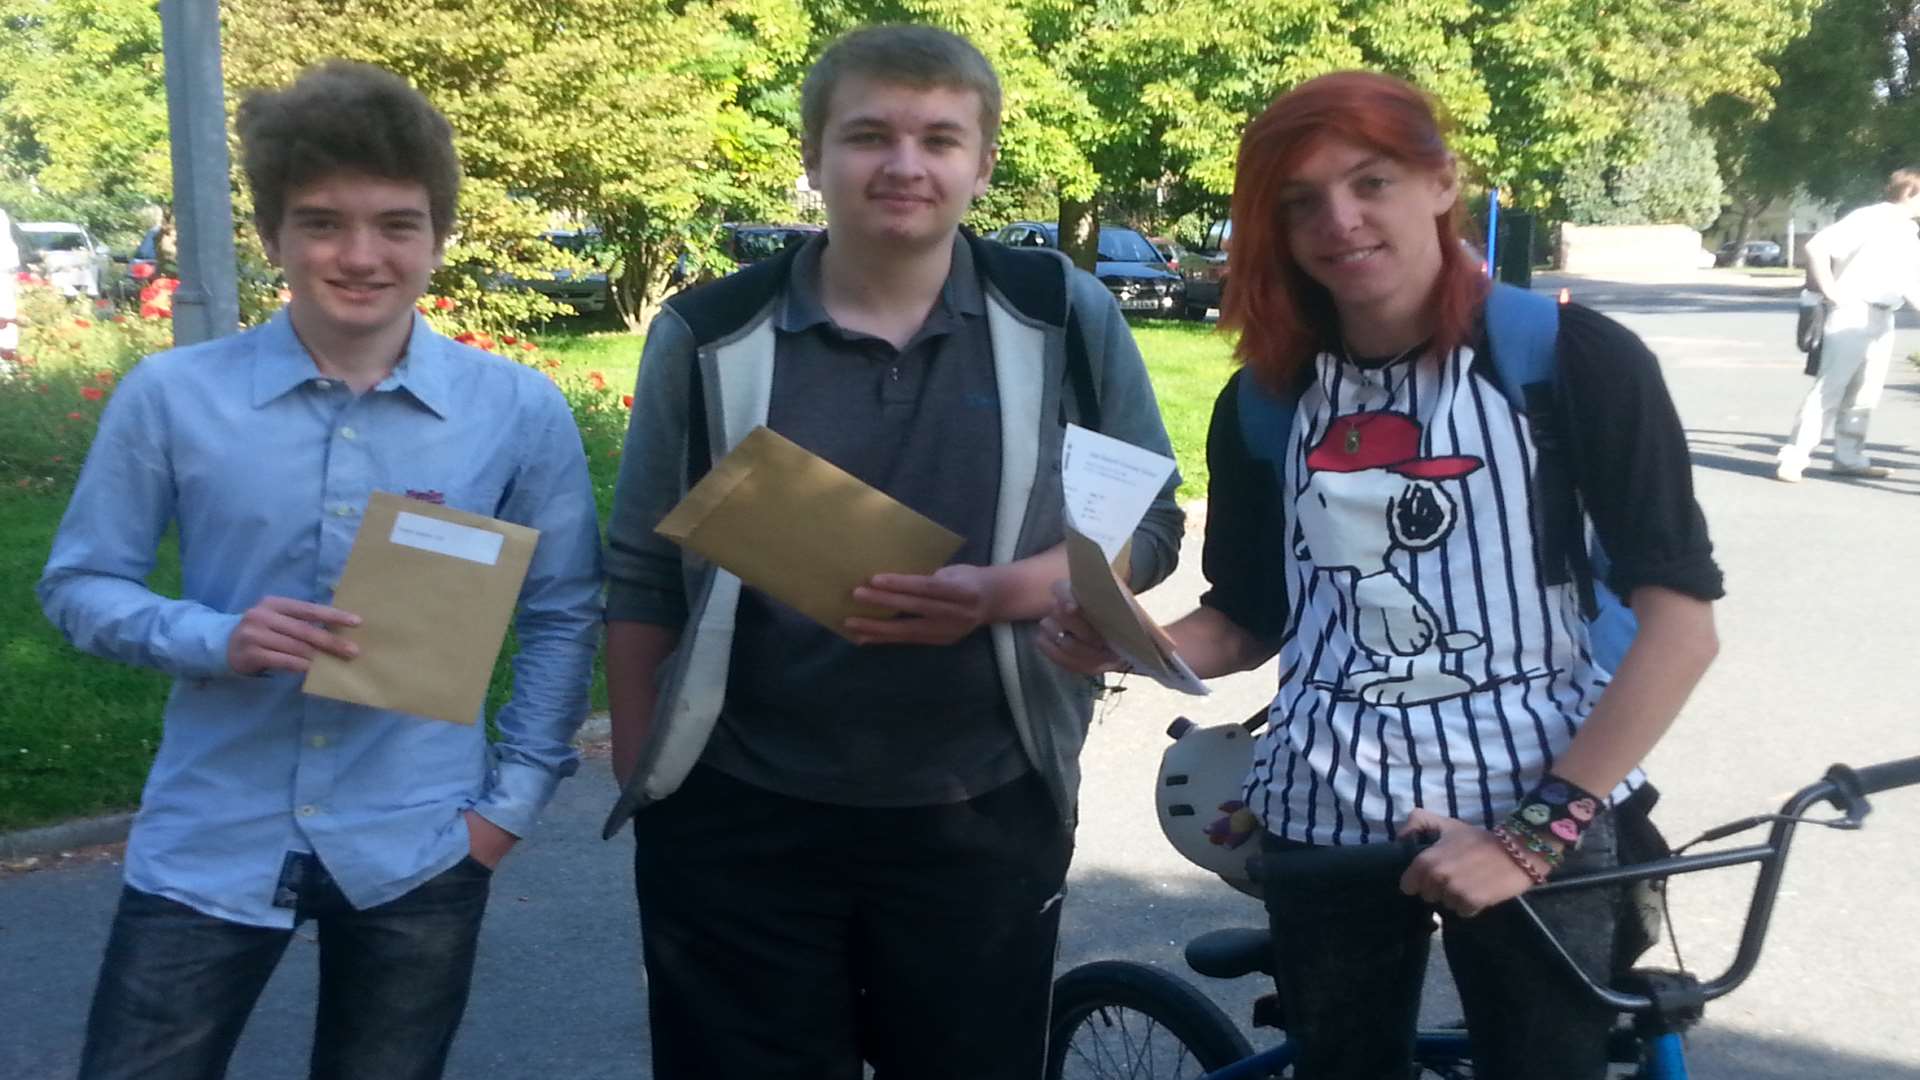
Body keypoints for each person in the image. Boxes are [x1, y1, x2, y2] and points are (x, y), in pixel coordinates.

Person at [1040, 71, 1723, 1080]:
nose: (1340, 220)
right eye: (1301, 201)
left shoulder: (1572, 361)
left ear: (1442, 182)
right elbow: (1249, 617)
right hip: (1325, 812)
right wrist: (1138, 644)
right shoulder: (1265, 403)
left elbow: (1681, 627)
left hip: (1538, 799)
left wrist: (1529, 841)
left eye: (1371, 182)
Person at [600, 24, 1183, 1080]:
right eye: (868, 135)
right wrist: (655, 791)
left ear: (984, 162)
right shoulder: (710, 330)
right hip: (738, 814)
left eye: (940, 138)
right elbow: (642, 572)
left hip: (983, 807)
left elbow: (1149, 528)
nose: (905, 165)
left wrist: (1002, 592)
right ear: (815, 156)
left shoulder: (1061, 315)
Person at [38, 61, 602, 1080]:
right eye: (320, 222)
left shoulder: (517, 411)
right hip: (211, 836)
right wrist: (218, 638)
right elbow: (80, 587)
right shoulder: (171, 398)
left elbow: (564, 614)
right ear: (271, 238)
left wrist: (506, 808)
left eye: (395, 223)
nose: (359, 255)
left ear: (438, 235)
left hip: (422, 840)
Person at [1775, 168, 1920, 482]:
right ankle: (1794, 458)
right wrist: (1830, 290)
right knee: (1830, 389)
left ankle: (1849, 458)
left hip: (1883, 316)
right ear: (1909, 192)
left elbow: (1909, 281)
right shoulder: (1870, 218)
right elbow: (1817, 246)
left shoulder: (1908, 231)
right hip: (1853, 310)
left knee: (1865, 393)